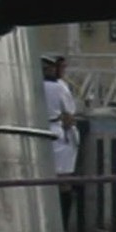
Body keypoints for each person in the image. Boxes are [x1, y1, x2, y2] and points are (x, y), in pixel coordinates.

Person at [42, 52, 79, 221]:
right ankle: (63, 224)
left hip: (40, 130)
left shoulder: (32, 84)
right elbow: (69, 116)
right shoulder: (60, 87)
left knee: (44, 181)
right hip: (57, 133)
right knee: (63, 181)